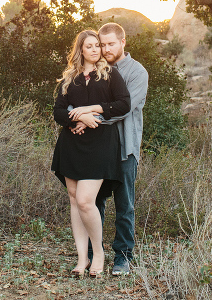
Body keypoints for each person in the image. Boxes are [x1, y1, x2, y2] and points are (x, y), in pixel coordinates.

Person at [51, 29, 131, 277]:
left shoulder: (110, 74)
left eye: (98, 45)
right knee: (75, 200)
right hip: (71, 146)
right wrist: (78, 117)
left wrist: (91, 111)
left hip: (100, 146)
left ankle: (99, 253)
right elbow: (58, 112)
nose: (96, 50)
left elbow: (123, 104)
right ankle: (81, 259)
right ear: (81, 50)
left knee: (86, 201)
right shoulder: (70, 78)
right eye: (90, 46)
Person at [74, 22, 148, 276]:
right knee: (95, 201)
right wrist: (81, 117)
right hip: (99, 147)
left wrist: (88, 120)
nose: (105, 49)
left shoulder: (138, 73)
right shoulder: (97, 70)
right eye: (102, 44)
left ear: (123, 42)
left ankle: (123, 257)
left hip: (125, 148)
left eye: (110, 44)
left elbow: (123, 109)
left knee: (124, 204)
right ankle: (95, 254)